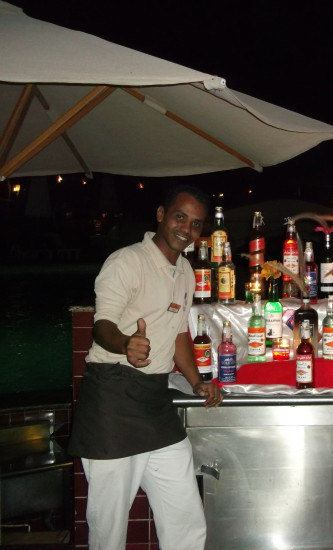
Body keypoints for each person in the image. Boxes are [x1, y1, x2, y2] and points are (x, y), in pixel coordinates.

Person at [68, 184, 223, 550]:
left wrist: (197, 381)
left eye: (196, 223)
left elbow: (178, 336)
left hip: (155, 402)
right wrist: (125, 343)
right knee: (108, 528)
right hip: (112, 399)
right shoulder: (126, 261)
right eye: (180, 217)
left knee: (185, 516)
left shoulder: (185, 272)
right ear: (161, 215)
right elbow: (103, 325)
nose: (187, 228)